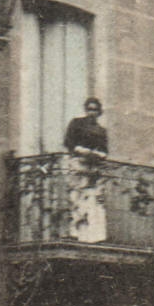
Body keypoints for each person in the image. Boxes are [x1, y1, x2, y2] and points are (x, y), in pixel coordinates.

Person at [62, 97, 109, 243]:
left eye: (95, 110)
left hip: (94, 166)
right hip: (78, 164)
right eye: (89, 109)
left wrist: (99, 154)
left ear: (99, 112)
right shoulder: (76, 123)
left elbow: (104, 150)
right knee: (76, 197)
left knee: (94, 199)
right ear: (85, 110)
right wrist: (81, 150)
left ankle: (94, 235)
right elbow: (69, 142)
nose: (91, 113)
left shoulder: (101, 130)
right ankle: (75, 232)